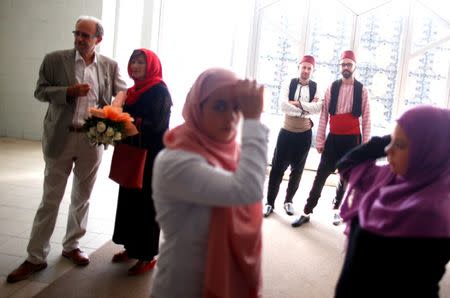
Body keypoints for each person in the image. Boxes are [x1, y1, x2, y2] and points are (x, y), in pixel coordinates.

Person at [6, 16, 127, 283]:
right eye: (77, 34)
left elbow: (121, 92)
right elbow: (40, 91)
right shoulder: (54, 59)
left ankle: (72, 245)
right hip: (60, 137)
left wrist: (115, 106)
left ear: (98, 39)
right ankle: (35, 257)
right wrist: (68, 92)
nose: (80, 39)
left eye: (86, 35)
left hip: (91, 140)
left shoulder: (109, 65)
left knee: (82, 197)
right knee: (50, 199)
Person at [150, 68, 267, 298]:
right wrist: (253, 121)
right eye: (220, 106)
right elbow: (248, 189)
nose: (231, 117)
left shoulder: (232, 152)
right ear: (197, 107)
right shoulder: (176, 161)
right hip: (182, 286)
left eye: (236, 108)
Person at [334, 105, 450, 297]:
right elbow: (346, 163)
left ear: (429, 149)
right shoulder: (391, 177)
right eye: (391, 142)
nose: (388, 150)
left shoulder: (433, 214)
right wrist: (399, 135)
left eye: (400, 145)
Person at [110, 49, 172, 275]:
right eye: (132, 61)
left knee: (146, 204)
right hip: (131, 153)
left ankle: (146, 255)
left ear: (151, 66)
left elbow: (159, 125)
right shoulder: (132, 91)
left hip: (151, 156)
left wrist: (130, 120)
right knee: (128, 201)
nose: (135, 66)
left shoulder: (159, 90)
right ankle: (130, 247)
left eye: (140, 62)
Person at [292, 50, 370, 228]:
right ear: (340, 66)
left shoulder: (362, 90)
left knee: (345, 179)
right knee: (320, 176)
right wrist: (320, 140)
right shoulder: (332, 88)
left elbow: (366, 119)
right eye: (343, 64)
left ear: (354, 66)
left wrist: (365, 147)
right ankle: (307, 211)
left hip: (352, 141)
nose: (346, 67)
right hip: (333, 139)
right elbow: (324, 117)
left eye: (349, 64)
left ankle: (337, 210)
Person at [264, 55, 322, 217]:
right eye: (303, 67)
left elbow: (318, 109)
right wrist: (306, 110)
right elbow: (283, 105)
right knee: (277, 170)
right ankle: (269, 203)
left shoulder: (316, 87)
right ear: (299, 68)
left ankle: (288, 201)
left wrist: (296, 103)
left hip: (304, 135)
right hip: (286, 133)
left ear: (313, 70)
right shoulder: (288, 83)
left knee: (297, 171)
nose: (306, 71)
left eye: (309, 68)